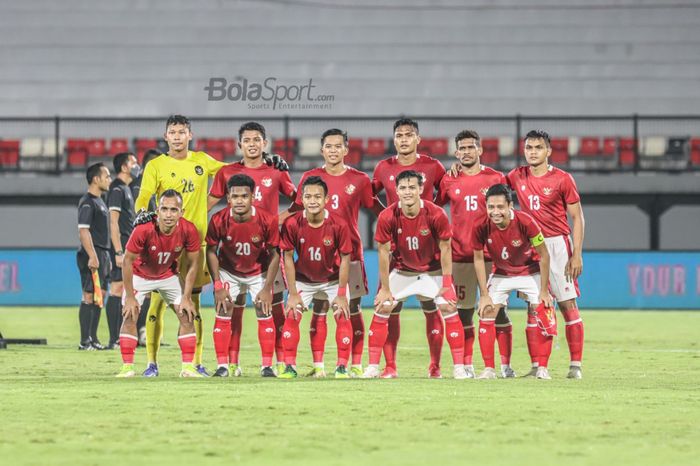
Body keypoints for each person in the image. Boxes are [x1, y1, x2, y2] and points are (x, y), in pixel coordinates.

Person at [134, 115, 226, 376]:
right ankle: (152, 364)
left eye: (181, 132)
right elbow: (143, 196)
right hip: (164, 244)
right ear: (166, 137)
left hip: (195, 244)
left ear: (190, 135)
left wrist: (260, 163)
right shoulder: (156, 165)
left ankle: (194, 363)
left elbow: (231, 172)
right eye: (172, 132)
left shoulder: (202, 161)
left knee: (193, 305)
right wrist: (141, 211)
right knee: (157, 304)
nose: (177, 136)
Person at [290, 128, 381, 377]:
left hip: (349, 254)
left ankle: (354, 364)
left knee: (351, 308)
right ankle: (319, 365)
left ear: (346, 149)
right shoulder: (310, 177)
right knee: (318, 308)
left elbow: (378, 211)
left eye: (337, 146)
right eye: (328, 146)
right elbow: (295, 210)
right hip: (315, 254)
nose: (333, 150)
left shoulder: (360, 179)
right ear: (322, 150)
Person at [207, 121, 295, 376]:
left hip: (266, 252)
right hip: (233, 253)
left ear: (264, 144)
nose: (252, 144)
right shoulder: (227, 173)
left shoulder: (276, 171)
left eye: (257, 140)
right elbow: (209, 204)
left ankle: (277, 362)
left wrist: (279, 219)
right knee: (231, 311)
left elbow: (299, 201)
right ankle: (230, 363)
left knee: (272, 308)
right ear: (240, 145)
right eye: (247, 140)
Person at [364, 170, 466, 379]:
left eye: (412, 187)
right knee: (383, 306)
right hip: (403, 270)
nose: (407, 192)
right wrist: (385, 288)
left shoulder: (436, 213)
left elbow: (446, 248)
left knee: (447, 306)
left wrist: (447, 283)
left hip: (433, 271)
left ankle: (454, 368)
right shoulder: (387, 216)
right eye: (403, 188)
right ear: (396, 190)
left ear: (421, 189)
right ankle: (380, 367)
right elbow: (384, 253)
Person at [370, 118, 447, 378]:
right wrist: (388, 219)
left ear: (418, 139)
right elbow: (369, 197)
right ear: (394, 140)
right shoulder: (383, 167)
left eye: (409, 135)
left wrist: (430, 219)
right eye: (399, 135)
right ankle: (390, 366)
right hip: (398, 250)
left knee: (432, 305)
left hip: (429, 248)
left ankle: (435, 366)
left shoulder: (433, 166)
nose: (404, 139)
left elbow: (446, 193)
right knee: (390, 305)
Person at [506, 130, 585, 379]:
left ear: (548, 151)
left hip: (558, 246)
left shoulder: (562, 179)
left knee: (567, 304)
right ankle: (537, 366)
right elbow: (490, 185)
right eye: (529, 147)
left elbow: (577, 217)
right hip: (529, 247)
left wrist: (577, 254)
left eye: (538, 148)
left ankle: (575, 366)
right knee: (533, 306)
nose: (533, 152)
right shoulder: (516, 176)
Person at [436, 130, 514, 378]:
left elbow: (507, 213)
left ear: (480, 150)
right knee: (464, 312)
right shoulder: (448, 181)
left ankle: (504, 366)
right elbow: (436, 212)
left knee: (498, 310)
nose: (467, 152)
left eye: (471, 147)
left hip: (492, 256)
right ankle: (467, 365)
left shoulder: (495, 178)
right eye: (462, 148)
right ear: (456, 152)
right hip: (460, 256)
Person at [116, 190, 202, 377]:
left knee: (186, 314)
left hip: (168, 276)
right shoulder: (144, 229)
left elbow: (194, 264)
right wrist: (130, 297)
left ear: (182, 212)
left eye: (173, 209)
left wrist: (187, 297)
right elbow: (127, 261)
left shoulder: (189, 229)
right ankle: (127, 368)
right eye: (164, 209)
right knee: (130, 315)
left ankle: (187, 368)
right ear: (157, 211)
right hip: (140, 275)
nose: (169, 214)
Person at [472, 184, 553, 379]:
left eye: (500, 207)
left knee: (543, 310)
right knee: (486, 311)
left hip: (529, 272)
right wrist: (483, 295)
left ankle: (542, 368)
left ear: (510, 206)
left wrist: (544, 291)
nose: (495, 212)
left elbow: (544, 255)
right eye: (491, 207)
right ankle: (490, 369)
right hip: (501, 273)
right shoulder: (480, 225)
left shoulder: (526, 222)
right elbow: (478, 258)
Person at [277, 176, 353, 379]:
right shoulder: (292, 223)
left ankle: (341, 367)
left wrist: (342, 293)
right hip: (304, 279)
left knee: (342, 312)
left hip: (333, 279)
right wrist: (292, 293)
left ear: (326, 199)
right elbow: (287, 258)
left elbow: (346, 259)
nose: (313, 201)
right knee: (292, 314)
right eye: (308, 196)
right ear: (301, 199)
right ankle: (290, 367)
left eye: (318, 197)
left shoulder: (339, 224)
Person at [205, 174, 280, 377]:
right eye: (234, 196)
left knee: (264, 310)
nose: (239, 200)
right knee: (224, 308)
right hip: (229, 271)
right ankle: (223, 366)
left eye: (244, 196)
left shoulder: (267, 219)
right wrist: (218, 285)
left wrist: (266, 289)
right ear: (228, 198)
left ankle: (267, 367)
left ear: (252, 197)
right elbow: (211, 251)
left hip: (259, 272)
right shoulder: (218, 219)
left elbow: (275, 254)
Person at [105, 152, 140, 349]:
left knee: (127, 290)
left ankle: (122, 335)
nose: (137, 166)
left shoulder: (125, 188)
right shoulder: (117, 189)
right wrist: (118, 251)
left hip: (129, 246)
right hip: (122, 248)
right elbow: (113, 221)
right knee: (117, 288)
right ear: (124, 167)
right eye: (134, 162)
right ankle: (113, 339)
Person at [76, 163, 112, 350]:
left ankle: (94, 338)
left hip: (103, 253)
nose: (109, 179)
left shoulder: (101, 201)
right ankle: (84, 341)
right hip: (93, 253)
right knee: (89, 295)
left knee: (100, 296)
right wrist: (92, 255)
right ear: (96, 179)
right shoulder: (88, 201)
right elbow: (83, 231)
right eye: (106, 176)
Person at [130, 148, 161, 345]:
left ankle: (144, 332)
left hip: (150, 245)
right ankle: (136, 332)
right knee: (138, 292)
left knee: (149, 292)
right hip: (139, 246)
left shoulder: (152, 188)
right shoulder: (139, 189)